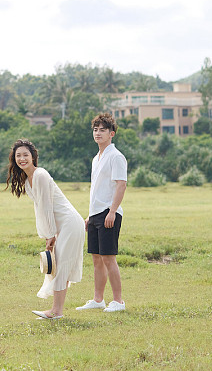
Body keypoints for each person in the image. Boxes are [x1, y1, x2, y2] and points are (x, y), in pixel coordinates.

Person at [6, 138, 84, 320]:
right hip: (61, 226)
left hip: (70, 223)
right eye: (18, 156)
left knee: (62, 266)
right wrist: (49, 234)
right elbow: (41, 209)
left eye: (25, 155)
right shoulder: (28, 181)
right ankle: (56, 311)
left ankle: (56, 311)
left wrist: (50, 235)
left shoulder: (40, 175)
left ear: (33, 157)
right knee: (58, 267)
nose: (22, 159)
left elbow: (46, 207)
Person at [76, 112, 128, 313]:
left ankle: (118, 301)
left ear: (111, 134)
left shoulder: (116, 156)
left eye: (103, 130)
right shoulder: (96, 158)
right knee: (96, 258)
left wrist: (112, 211)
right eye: (95, 130)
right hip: (97, 213)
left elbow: (121, 185)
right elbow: (97, 188)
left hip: (109, 212)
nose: (98, 133)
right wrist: (91, 215)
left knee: (109, 258)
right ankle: (98, 299)